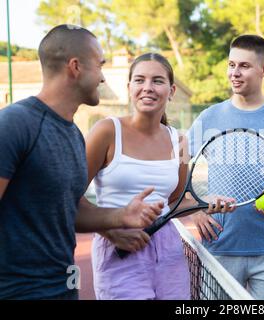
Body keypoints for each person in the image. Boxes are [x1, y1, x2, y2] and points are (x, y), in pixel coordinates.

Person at [0, 25, 163, 300]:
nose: (102, 77)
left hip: (62, 287)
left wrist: (121, 216)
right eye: (99, 65)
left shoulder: (74, 134)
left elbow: (70, 208)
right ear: (75, 67)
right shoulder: (14, 124)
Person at [86, 53, 234, 300]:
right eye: (140, 80)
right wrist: (111, 231)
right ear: (129, 87)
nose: (148, 88)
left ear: (171, 90)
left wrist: (206, 202)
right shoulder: (106, 131)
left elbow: (174, 203)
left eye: (157, 81)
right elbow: (71, 198)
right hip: (119, 247)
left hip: (168, 251)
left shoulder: (180, 141)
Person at [188, 35, 264, 300]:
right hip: (218, 245)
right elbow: (180, 171)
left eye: (244, 66)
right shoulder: (209, 117)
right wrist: (195, 208)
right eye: (231, 65)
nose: (234, 73)